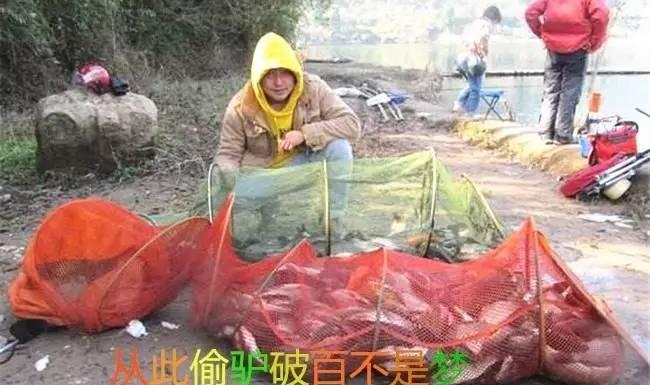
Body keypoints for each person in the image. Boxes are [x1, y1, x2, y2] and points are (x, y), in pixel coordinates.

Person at [213, 32, 361, 232]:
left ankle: (332, 221)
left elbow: (351, 124)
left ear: (295, 72)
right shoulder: (240, 106)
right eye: (270, 75)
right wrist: (229, 180)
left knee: (339, 148)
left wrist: (305, 134)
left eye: (284, 73)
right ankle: (266, 206)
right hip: (263, 175)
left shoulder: (313, 87)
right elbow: (227, 154)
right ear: (258, 77)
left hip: (303, 165)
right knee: (224, 202)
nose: (278, 82)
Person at [526, 0, 610, 145]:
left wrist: (543, 34)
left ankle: (545, 132)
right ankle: (562, 135)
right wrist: (594, 42)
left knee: (550, 90)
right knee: (570, 92)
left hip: (553, 48)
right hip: (578, 47)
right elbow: (601, 15)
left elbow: (530, 13)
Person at [452, 6, 502, 116]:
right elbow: (481, 38)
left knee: (472, 83)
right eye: (496, 22)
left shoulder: (475, 23)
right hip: (473, 59)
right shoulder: (486, 25)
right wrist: (481, 52)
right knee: (476, 89)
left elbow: (465, 39)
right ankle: (470, 113)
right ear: (494, 18)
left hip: (463, 56)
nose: (495, 25)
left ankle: (459, 104)